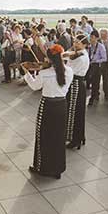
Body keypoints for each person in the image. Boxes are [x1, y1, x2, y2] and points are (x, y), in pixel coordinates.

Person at [23, 45, 73, 179]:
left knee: (43, 136)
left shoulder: (45, 73)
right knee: (58, 137)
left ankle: (42, 167)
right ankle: (57, 168)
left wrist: (27, 73)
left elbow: (34, 86)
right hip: (62, 105)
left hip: (48, 106)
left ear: (49, 59)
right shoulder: (69, 71)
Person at [65, 34, 90, 149]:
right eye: (74, 42)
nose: (75, 44)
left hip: (76, 84)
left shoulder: (82, 57)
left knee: (74, 112)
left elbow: (69, 71)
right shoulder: (77, 53)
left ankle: (75, 139)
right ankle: (78, 137)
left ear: (84, 44)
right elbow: (68, 55)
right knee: (74, 112)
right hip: (74, 84)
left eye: (78, 42)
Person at [86, 30, 107, 106]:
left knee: (95, 82)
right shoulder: (89, 46)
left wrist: (95, 60)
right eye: (90, 37)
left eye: (92, 37)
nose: (91, 39)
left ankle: (93, 97)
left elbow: (104, 58)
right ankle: (95, 94)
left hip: (96, 66)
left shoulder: (101, 47)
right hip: (89, 65)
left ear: (97, 38)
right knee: (90, 81)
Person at [99, 28, 108, 100]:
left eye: (105, 34)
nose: (104, 36)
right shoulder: (97, 42)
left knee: (107, 80)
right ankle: (95, 95)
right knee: (96, 80)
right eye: (102, 34)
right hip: (99, 64)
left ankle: (107, 93)